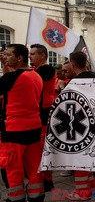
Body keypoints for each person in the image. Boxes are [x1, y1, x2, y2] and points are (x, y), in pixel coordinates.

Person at [0, 44, 44, 202]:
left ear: (19, 58)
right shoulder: (36, 76)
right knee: (34, 167)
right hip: (33, 126)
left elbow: (5, 84)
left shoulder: (13, 77)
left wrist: (5, 68)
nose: (5, 57)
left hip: (14, 128)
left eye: (8, 55)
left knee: (12, 167)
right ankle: (36, 199)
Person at [64, 51, 95, 201]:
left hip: (80, 125)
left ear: (72, 64)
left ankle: (83, 192)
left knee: (78, 158)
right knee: (88, 157)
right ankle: (92, 185)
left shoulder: (74, 83)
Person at [29, 44, 56, 192]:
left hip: (44, 113)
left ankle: (46, 180)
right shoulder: (36, 70)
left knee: (42, 149)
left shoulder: (46, 69)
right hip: (39, 113)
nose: (30, 56)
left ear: (43, 56)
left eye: (33, 54)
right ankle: (44, 179)